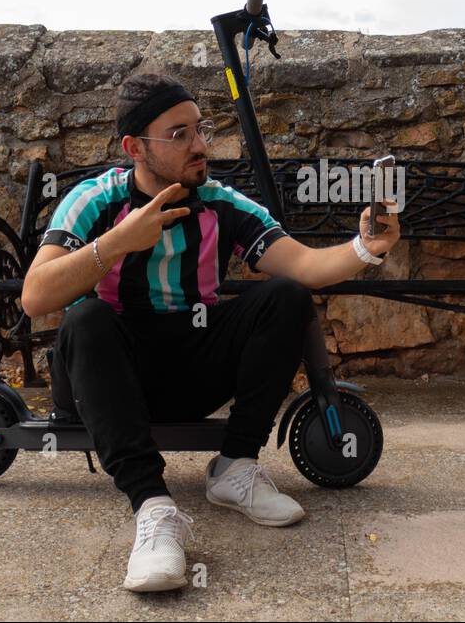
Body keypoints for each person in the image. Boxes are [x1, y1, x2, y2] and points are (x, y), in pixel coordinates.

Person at [20, 73, 401, 592]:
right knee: (85, 317)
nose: (201, 145)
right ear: (135, 147)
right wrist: (116, 243)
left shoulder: (222, 203)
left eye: (200, 129)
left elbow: (306, 265)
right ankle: (154, 511)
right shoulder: (93, 201)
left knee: (285, 295)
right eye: (179, 135)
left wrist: (365, 248)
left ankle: (235, 469)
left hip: (190, 369)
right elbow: (36, 296)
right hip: (107, 378)